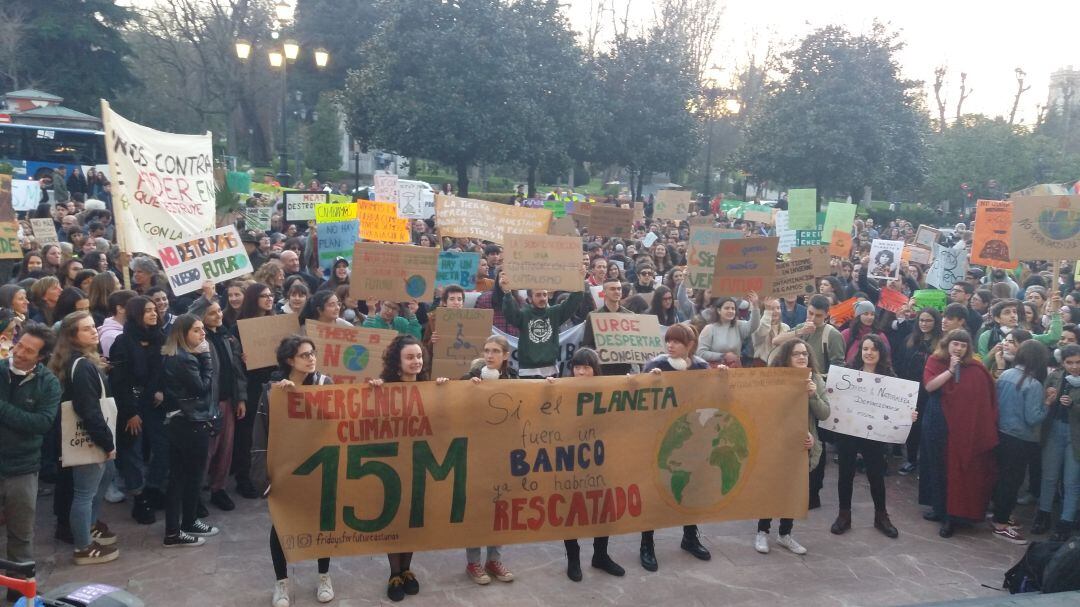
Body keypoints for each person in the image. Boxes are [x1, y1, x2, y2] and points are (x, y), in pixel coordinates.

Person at [250, 336, 335, 607]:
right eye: (304, 355)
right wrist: (262, 474)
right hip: (285, 468)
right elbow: (261, 433)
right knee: (282, 525)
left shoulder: (325, 384)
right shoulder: (271, 391)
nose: (311, 359)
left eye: (313, 353)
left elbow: (332, 421)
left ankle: (324, 576)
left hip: (320, 465)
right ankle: (281, 583)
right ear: (289, 360)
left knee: (322, 523)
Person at [366, 335, 450, 601]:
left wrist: (444, 391)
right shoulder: (384, 387)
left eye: (419, 357)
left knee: (414, 518)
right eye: (410, 357)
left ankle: (407, 570)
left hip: (420, 463)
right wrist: (374, 389)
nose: (416, 362)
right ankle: (394, 573)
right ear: (397, 362)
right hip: (393, 464)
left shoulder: (430, 386)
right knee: (395, 517)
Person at [546, 348, 625, 581]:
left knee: (603, 507)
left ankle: (600, 555)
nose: (581, 372)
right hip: (571, 460)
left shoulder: (606, 389)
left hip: (601, 459)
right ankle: (573, 558)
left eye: (586, 367)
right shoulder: (560, 388)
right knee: (572, 509)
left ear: (595, 369)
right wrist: (545, 389)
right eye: (577, 367)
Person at [639, 324, 712, 570]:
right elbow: (640, 399)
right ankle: (646, 544)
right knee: (653, 491)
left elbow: (714, 400)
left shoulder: (702, 367)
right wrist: (650, 382)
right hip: (659, 440)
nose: (670, 345)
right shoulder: (655, 366)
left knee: (690, 489)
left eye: (676, 341)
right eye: (668, 340)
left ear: (689, 345)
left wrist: (720, 377)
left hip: (691, 439)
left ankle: (690, 537)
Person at [48, 311, 119, 564]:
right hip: (91, 437)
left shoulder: (78, 362)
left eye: (93, 326)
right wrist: (106, 442)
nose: (94, 331)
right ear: (72, 337)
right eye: (86, 329)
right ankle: (83, 547)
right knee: (84, 494)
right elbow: (88, 409)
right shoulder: (83, 366)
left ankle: (88, 529)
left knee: (99, 482)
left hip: (93, 435)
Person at [920, 329, 999, 538]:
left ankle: (952, 516)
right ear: (947, 344)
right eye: (955, 344)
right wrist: (950, 370)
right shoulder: (935, 361)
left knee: (954, 472)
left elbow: (983, 400)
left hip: (963, 427)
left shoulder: (975, 368)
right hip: (938, 420)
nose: (959, 348)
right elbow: (929, 386)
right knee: (937, 467)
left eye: (963, 345)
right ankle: (939, 508)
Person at [756, 338, 828, 555]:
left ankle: (785, 533)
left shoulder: (815, 379)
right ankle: (762, 531)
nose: (801, 357)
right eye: (796, 353)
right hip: (777, 442)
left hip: (802, 445)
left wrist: (813, 395)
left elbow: (824, 413)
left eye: (805, 354)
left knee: (793, 489)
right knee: (773, 488)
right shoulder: (776, 378)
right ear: (787, 356)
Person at [0, 323, 61, 577]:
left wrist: (2, 409)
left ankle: (20, 593)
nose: (20, 352)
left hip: (22, 469)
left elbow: (40, 424)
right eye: (19, 345)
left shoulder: (49, 384)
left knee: (21, 534)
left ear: (41, 357)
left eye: (28, 351)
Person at [830, 335, 903, 539]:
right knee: (845, 473)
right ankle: (844, 515)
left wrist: (908, 414)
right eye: (865, 349)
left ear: (881, 353)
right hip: (848, 432)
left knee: (876, 474)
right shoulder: (849, 375)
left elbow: (898, 406)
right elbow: (836, 399)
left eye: (873, 349)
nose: (869, 353)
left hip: (874, 434)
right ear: (859, 351)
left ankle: (881, 516)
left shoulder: (890, 378)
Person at [461, 336, 516, 585]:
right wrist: (463, 387)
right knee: (476, 508)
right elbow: (451, 400)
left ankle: (494, 559)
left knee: (500, 509)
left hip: (503, 455)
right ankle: (473, 562)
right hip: (475, 454)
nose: (490, 355)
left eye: (495, 351)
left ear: (505, 355)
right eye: (486, 350)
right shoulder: (470, 377)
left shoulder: (514, 380)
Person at [160, 314, 219, 547]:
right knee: (185, 477)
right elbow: (203, 387)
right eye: (196, 330)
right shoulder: (185, 359)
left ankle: (189, 521)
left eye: (202, 329)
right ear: (183, 334)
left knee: (187, 476)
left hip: (186, 421)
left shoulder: (178, 355)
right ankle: (175, 531)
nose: (202, 333)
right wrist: (206, 357)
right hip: (189, 423)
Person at [108, 295, 166, 525]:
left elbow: (163, 370)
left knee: (162, 448)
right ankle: (139, 497)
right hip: (131, 404)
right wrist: (131, 412)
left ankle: (153, 488)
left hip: (155, 403)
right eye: (148, 311)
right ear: (135, 315)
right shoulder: (123, 342)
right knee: (133, 452)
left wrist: (160, 389)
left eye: (155, 310)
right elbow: (119, 381)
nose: (154, 313)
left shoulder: (160, 338)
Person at [189, 291, 247, 512]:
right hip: (207, 404)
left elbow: (238, 372)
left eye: (218, 312)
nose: (217, 316)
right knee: (207, 451)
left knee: (225, 450)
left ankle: (218, 489)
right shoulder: (198, 339)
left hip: (228, 401)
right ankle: (195, 494)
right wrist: (205, 297)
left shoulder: (228, 337)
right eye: (211, 313)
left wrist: (240, 398)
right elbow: (190, 314)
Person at [990, 340, 1051, 544]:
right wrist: (1048, 404)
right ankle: (1001, 524)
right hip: (1020, 438)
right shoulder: (1033, 385)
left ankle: (999, 513)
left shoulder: (1006, 375)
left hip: (1000, 433)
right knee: (1012, 481)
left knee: (1001, 477)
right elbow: (1033, 418)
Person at [1033, 343, 1080, 541]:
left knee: (1071, 481)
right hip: (1054, 430)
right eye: (1070, 363)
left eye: (1078, 362)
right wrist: (1049, 398)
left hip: (1076, 434)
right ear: (1063, 363)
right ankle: (1043, 514)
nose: (1075, 367)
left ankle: (1066, 521)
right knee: (1049, 476)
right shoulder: (1055, 376)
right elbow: (1043, 398)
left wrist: (1075, 406)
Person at [501, 275, 584, 379]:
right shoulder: (524, 314)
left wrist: (580, 279)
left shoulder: (555, 313)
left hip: (551, 370)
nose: (542, 298)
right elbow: (510, 313)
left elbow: (573, 302)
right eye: (538, 295)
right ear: (530, 298)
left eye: (544, 295)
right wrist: (507, 293)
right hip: (527, 371)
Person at [894, 307, 941, 475]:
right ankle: (911, 459)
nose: (924, 324)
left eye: (928, 320)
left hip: (932, 391)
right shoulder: (910, 340)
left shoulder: (941, 343)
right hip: (911, 390)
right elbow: (899, 362)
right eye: (921, 320)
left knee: (928, 428)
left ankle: (926, 462)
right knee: (912, 426)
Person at [581, 279, 635, 375]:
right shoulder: (594, 316)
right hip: (602, 368)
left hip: (624, 367)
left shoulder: (630, 315)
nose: (617, 292)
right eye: (613, 289)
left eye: (619, 289)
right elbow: (587, 345)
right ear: (604, 292)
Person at [696, 294, 760, 366]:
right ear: (719, 310)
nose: (730, 311)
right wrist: (723, 356)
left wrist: (755, 306)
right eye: (727, 308)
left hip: (735, 369)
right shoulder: (709, 328)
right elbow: (700, 353)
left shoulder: (738, 326)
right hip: (714, 370)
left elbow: (754, 326)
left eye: (733, 309)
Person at [751, 297, 789, 365]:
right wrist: (768, 311)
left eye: (778, 308)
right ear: (764, 310)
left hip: (780, 364)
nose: (776, 311)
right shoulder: (757, 325)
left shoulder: (785, 327)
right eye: (772, 308)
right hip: (762, 364)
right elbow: (763, 332)